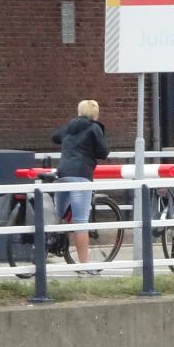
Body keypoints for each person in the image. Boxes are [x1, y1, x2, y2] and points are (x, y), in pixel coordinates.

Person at [52, 98, 110, 264]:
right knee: (80, 222)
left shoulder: (70, 127)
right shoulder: (94, 128)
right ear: (95, 113)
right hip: (81, 175)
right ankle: (84, 267)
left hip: (62, 174)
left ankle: (50, 245)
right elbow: (104, 152)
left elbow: (55, 137)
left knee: (59, 216)